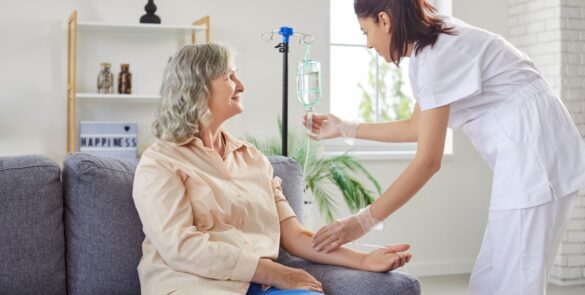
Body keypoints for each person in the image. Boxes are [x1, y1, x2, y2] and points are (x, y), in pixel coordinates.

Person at [306, 0, 585, 294]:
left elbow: (428, 161)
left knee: (513, 283)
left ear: (385, 21)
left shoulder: (436, 56)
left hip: (537, 162)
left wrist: (361, 222)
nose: (368, 44)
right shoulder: (432, 47)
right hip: (530, 158)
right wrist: (345, 128)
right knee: (489, 282)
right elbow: (417, 128)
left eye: (365, 32)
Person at [132, 43, 412, 295]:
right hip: (192, 285)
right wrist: (276, 273)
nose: (240, 85)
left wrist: (364, 260)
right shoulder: (160, 162)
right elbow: (181, 248)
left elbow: (295, 236)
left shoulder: (253, 159)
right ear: (197, 87)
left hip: (262, 286)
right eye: (229, 77)